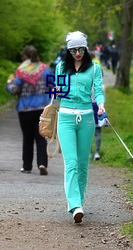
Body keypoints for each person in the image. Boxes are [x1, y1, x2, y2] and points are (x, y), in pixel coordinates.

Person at [55, 31, 105, 223]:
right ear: (68, 50)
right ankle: (75, 205)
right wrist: (56, 92)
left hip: (86, 119)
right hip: (66, 118)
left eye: (81, 49)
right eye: (74, 50)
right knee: (72, 162)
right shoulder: (60, 67)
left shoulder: (94, 68)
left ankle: (80, 200)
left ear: (86, 49)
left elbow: (98, 90)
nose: (78, 53)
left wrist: (101, 104)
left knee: (83, 164)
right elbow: (56, 94)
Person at [6, 45, 53, 175]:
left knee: (27, 138)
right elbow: (53, 86)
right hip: (42, 109)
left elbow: (14, 90)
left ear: (25, 57)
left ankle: (27, 167)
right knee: (41, 136)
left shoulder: (21, 71)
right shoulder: (46, 69)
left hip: (25, 109)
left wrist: (9, 83)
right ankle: (42, 163)